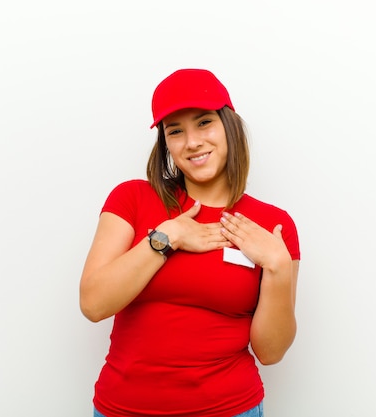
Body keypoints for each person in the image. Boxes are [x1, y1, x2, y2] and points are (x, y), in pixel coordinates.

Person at [80, 68, 300, 417]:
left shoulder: (274, 225)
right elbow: (93, 304)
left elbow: (271, 352)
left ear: (228, 125)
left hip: (230, 409)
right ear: (165, 142)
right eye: (175, 131)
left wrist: (278, 267)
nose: (192, 142)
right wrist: (169, 237)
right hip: (123, 409)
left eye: (203, 123)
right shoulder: (132, 199)